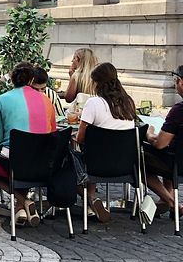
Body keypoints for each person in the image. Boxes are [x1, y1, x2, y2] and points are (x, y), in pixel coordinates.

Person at [0, 62, 57, 225]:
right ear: (31, 80)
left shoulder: (2, 100)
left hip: (14, 162)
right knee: (22, 161)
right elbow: (53, 133)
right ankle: (20, 208)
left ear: (12, 80)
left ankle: (23, 201)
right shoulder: (47, 101)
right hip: (42, 163)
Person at [74, 62, 137, 222]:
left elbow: (80, 138)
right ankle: (91, 202)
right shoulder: (128, 102)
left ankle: (90, 198)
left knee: (69, 158)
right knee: (96, 149)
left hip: (96, 165)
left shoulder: (93, 103)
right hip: (125, 164)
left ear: (96, 83)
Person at [142, 65, 183, 217]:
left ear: (181, 82)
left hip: (177, 164)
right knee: (170, 150)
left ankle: (171, 202)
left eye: (175, 80)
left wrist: (149, 133)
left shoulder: (178, 110)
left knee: (138, 160)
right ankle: (167, 199)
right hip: (177, 158)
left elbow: (160, 143)